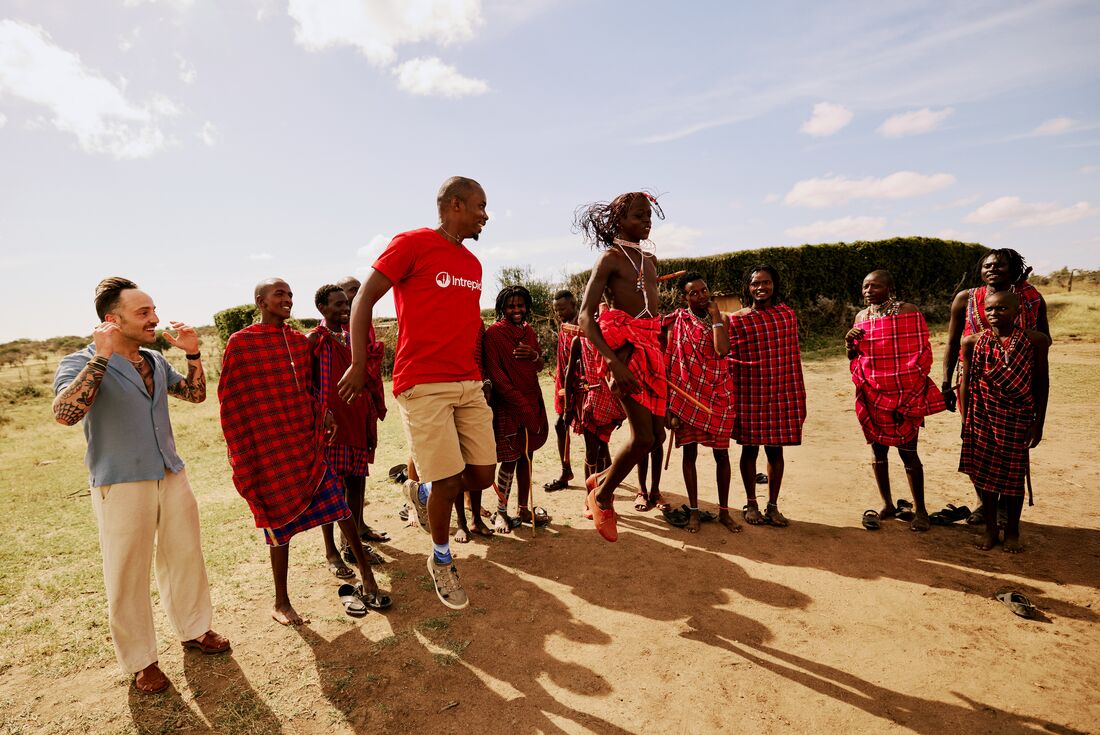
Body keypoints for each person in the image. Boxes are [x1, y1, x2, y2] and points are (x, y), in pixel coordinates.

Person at [52, 277, 229, 694]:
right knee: (127, 573)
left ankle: (195, 629)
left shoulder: (153, 359)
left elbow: (195, 395)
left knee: (185, 556)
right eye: (143, 312)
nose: (155, 318)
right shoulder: (78, 361)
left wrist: (193, 354)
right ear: (112, 320)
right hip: (120, 481)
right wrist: (102, 356)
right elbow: (65, 414)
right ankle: (141, 661)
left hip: (171, 472)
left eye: (153, 310)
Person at [338, 176, 496, 610]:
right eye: (481, 206)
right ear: (455, 205)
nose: (487, 215)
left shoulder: (474, 264)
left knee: (481, 475)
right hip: (423, 383)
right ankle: (442, 558)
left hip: (467, 381)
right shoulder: (412, 243)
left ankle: (423, 492)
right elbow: (363, 300)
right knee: (447, 478)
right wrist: (358, 362)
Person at [219, 278, 391, 625]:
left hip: (305, 440)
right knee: (277, 523)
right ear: (261, 301)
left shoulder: (300, 342)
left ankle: (368, 580)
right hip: (270, 447)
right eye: (279, 294)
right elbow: (231, 395)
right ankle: (281, 601)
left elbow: (311, 388)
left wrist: (322, 411)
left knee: (340, 508)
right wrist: (248, 443)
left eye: (290, 294)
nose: (288, 299)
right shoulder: (241, 343)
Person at [574, 191, 669, 542]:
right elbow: (586, 317)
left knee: (656, 436)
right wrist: (614, 364)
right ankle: (601, 496)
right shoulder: (609, 259)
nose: (646, 222)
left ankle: (599, 480)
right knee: (642, 436)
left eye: (649, 216)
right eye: (639, 216)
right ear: (619, 221)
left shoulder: (649, 260)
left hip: (651, 347)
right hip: (624, 350)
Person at [941, 248, 1050, 525]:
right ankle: (983, 503)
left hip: (1019, 382)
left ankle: (1005, 506)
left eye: (1000, 266)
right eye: (987, 265)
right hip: (974, 382)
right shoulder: (966, 298)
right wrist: (945, 382)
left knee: (1013, 444)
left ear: (1013, 269)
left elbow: (1044, 340)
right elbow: (953, 342)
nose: (992, 269)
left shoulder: (1031, 298)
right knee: (977, 441)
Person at [845, 270, 946, 532]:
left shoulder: (907, 312)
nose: (868, 291)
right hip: (872, 394)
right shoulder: (861, 317)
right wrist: (849, 343)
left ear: (890, 288)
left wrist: (909, 399)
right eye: (865, 286)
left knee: (909, 453)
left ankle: (921, 511)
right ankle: (887, 504)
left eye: (874, 286)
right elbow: (856, 357)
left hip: (904, 394)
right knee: (878, 452)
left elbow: (922, 354)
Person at [958, 290, 1049, 553]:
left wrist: (1038, 422)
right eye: (990, 310)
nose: (995, 314)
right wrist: (967, 421)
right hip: (982, 415)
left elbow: (1041, 383)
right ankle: (990, 529)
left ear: (1017, 311)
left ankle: (1012, 530)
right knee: (985, 476)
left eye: (1002, 309)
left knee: (1012, 477)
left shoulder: (1035, 341)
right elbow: (966, 383)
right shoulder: (972, 342)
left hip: (1018, 417)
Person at [308, 285, 387, 579]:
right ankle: (330, 550)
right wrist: (319, 415)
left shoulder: (355, 337)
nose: (346, 309)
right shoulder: (314, 341)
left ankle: (350, 545)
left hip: (357, 421)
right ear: (322, 309)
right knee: (330, 492)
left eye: (349, 304)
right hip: (331, 428)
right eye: (339, 304)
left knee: (355, 486)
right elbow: (306, 385)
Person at [729, 264, 806, 527]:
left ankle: (772, 506)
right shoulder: (738, 319)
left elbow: (791, 358)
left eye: (766, 282)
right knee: (749, 449)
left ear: (775, 285)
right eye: (755, 283)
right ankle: (751, 503)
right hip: (750, 393)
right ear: (747, 287)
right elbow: (730, 359)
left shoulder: (786, 316)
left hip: (782, 392)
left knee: (776, 450)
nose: (761, 288)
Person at [663, 272, 739, 533]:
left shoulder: (722, 319)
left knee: (722, 454)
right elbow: (669, 362)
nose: (700, 296)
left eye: (704, 290)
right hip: (687, 398)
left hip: (719, 396)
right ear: (684, 297)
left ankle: (725, 512)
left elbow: (722, 350)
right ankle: (693, 511)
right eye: (693, 292)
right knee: (690, 453)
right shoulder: (676, 322)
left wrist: (716, 317)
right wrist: (668, 406)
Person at [544, 290, 578, 492]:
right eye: (556, 310)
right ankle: (566, 470)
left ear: (574, 305)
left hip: (580, 386)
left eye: (562, 308)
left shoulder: (582, 325)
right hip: (566, 386)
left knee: (594, 433)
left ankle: (604, 471)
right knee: (560, 425)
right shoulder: (565, 326)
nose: (558, 313)